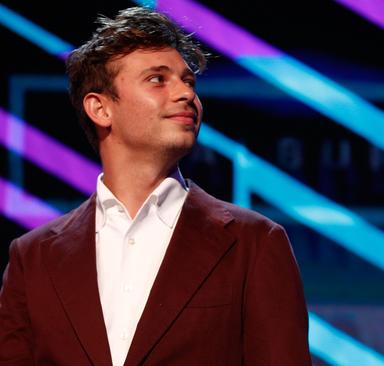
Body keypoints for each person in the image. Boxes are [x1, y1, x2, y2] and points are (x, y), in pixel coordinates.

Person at [0, 7, 311, 366]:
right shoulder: (33, 257)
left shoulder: (253, 243)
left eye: (189, 82)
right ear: (100, 109)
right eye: (157, 80)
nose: (185, 94)